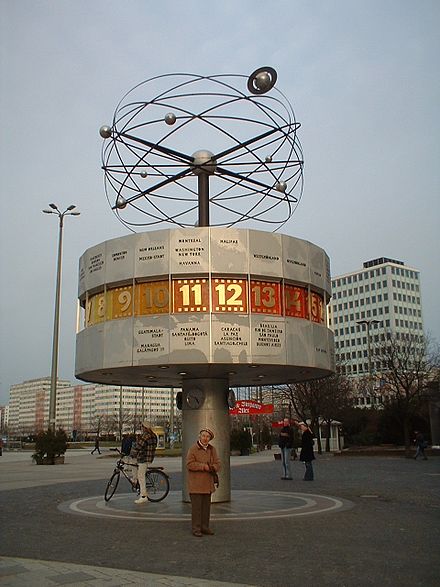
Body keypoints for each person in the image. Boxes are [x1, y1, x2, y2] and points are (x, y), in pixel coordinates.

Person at [186, 428, 220, 537]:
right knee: (197, 509)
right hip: (196, 484)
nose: (205, 438)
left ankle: (205, 527)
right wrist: (203, 467)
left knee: (206, 508)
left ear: (210, 439)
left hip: (208, 484)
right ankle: (196, 528)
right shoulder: (193, 449)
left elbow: (218, 463)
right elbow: (189, 464)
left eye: (207, 437)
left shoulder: (212, 449)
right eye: (203, 436)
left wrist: (213, 467)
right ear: (199, 436)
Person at [130, 421, 158, 504]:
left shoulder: (146, 436)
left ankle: (143, 496)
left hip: (143, 457)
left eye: (142, 427)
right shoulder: (154, 435)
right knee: (134, 464)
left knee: (141, 477)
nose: (141, 428)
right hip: (149, 457)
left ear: (145, 428)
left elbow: (139, 447)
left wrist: (132, 453)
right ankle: (135, 480)